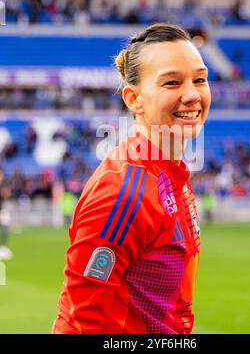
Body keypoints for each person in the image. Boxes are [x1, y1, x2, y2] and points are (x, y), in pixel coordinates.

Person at [52, 23, 211, 334]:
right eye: (171, 83)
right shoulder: (125, 189)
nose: (192, 95)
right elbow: (83, 320)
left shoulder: (171, 172)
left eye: (200, 79)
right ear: (133, 99)